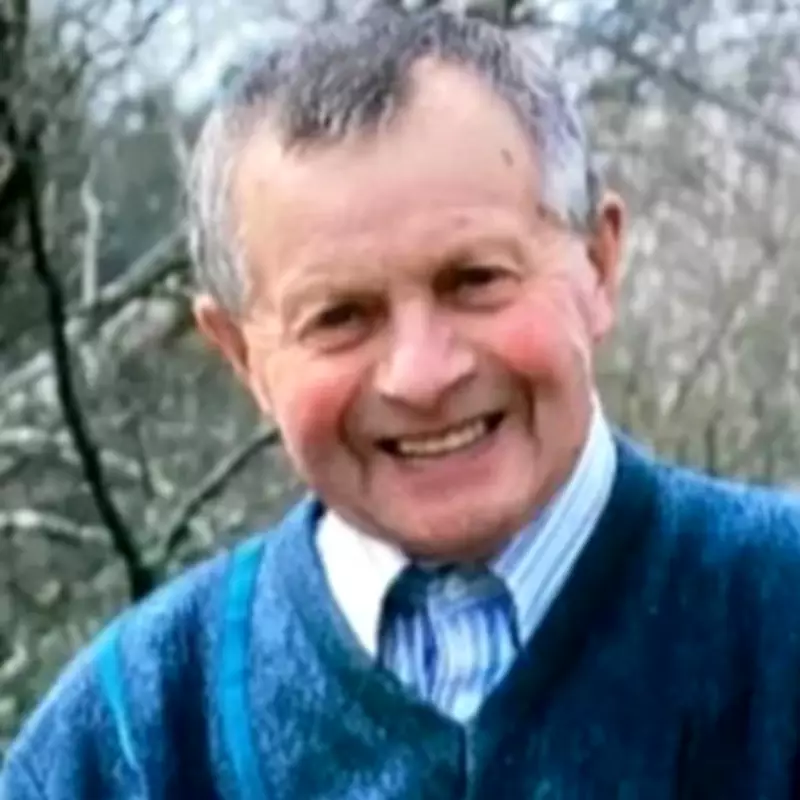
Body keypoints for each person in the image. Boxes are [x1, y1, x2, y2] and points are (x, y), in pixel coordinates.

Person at [4, 7, 800, 799]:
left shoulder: (779, 619)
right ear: (244, 356)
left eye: (475, 280)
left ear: (598, 264)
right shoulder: (131, 742)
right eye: (340, 317)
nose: (421, 374)